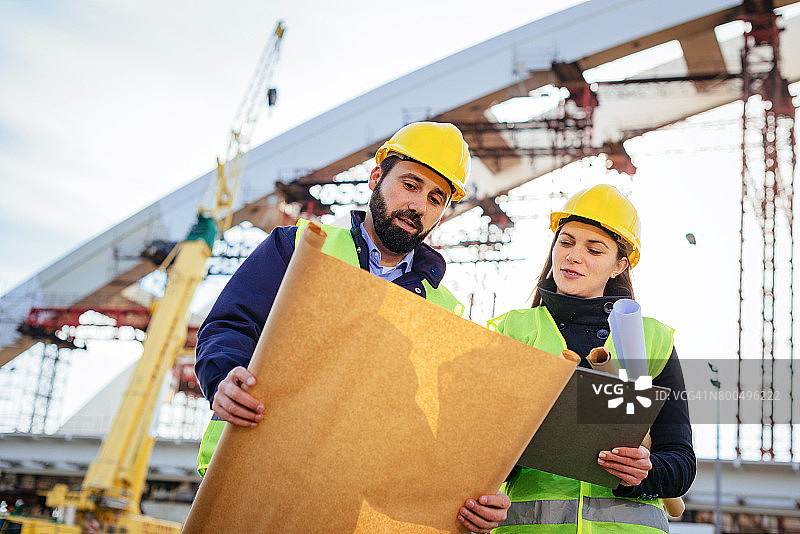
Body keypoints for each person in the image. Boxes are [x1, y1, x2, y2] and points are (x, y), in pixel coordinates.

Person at [194, 121, 510, 533]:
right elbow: (230, 325)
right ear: (376, 178)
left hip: (347, 504)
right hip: (248, 473)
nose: (419, 207)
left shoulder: (444, 309)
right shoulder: (300, 247)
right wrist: (223, 378)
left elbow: (448, 429)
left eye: (436, 198)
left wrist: (482, 493)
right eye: (410, 185)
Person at [488, 184, 695, 534]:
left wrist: (643, 473)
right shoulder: (513, 332)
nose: (572, 256)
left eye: (594, 249)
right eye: (565, 242)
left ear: (620, 265)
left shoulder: (652, 341)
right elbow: (478, 451)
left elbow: (680, 462)